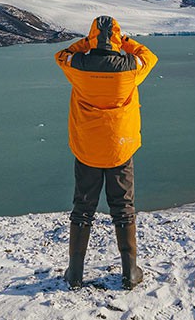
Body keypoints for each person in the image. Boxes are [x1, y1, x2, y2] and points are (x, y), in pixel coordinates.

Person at [54, 15, 158, 290]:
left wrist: (84, 44)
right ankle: (130, 272)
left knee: (83, 209)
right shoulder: (130, 67)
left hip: (87, 147)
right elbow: (149, 56)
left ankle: (75, 273)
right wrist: (126, 43)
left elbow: (61, 56)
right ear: (116, 38)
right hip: (119, 148)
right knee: (123, 208)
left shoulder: (78, 65)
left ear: (91, 36)